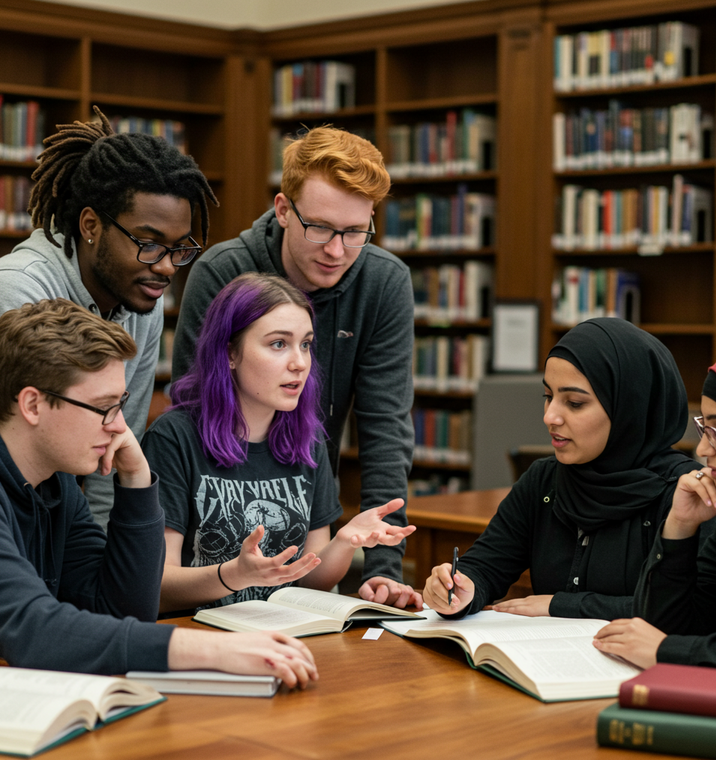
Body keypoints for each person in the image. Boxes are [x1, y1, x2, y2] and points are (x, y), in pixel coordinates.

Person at [0, 298, 317, 685]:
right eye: (103, 408)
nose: (119, 427)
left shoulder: (57, 483)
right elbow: (32, 629)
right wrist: (213, 650)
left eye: (121, 406)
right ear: (33, 404)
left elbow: (122, 611)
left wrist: (137, 479)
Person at [172, 125, 417, 608]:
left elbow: (385, 426)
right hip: (207, 542)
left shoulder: (384, 282)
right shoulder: (223, 271)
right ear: (284, 210)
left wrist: (383, 571)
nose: (335, 250)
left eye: (355, 233)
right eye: (321, 227)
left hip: (305, 512)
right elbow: (196, 408)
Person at [142, 273, 414, 612]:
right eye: (278, 344)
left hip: (282, 631)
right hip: (196, 634)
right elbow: (157, 584)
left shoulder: (308, 440)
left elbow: (311, 581)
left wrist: (345, 542)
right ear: (230, 353)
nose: (299, 363)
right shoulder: (174, 438)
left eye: (305, 344)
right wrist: (234, 574)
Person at [0, 107, 218, 530]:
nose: (168, 268)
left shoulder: (142, 301)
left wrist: (100, 567)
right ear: (90, 225)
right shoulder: (19, 291)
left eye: (179, 248)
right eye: (149, 243)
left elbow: (112, 449)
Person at [423, 317, 701, 620]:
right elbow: (487, 564)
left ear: (628, 408)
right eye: (548, 396)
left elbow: (689, 613)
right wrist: (462, 589)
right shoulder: (544, 479)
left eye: (575, 403)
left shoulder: (685, 493)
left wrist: (560, 605)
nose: (550, 416)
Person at [593, 334, 716, 671]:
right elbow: (663, 628)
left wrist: (668, 651)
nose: (702, 450)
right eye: (704, 427)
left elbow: (662, 644)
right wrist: (679, 526)